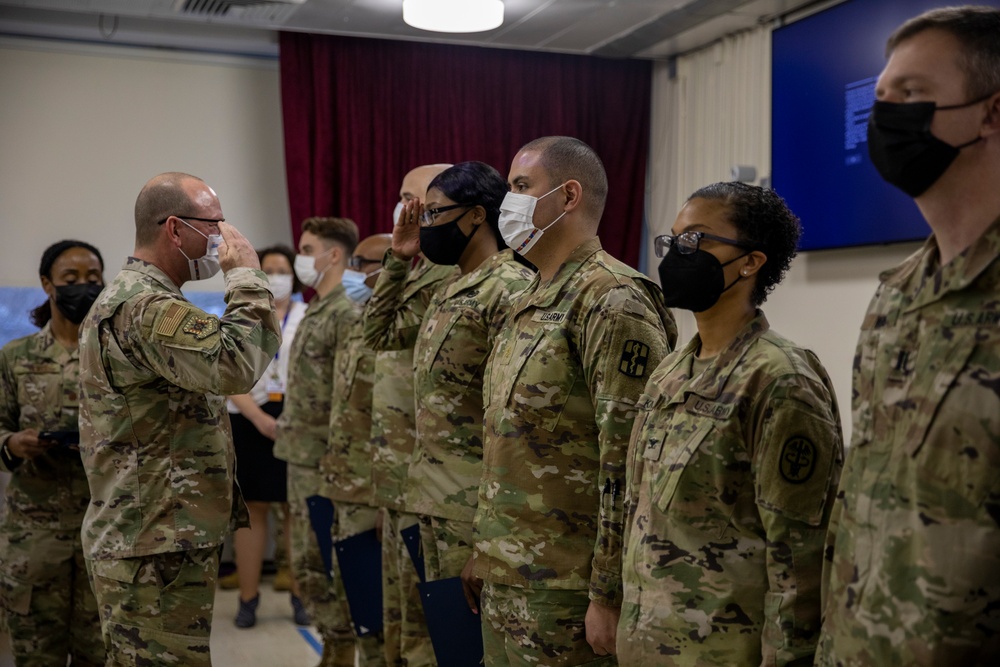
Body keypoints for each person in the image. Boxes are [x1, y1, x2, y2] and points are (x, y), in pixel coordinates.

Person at [817, 7, 1000, 664]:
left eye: (913, 96)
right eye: (881, 98)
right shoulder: (896, 296)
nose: (886, 117)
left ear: (991, 112)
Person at [616, 182, 843, 665]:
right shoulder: (671, 372)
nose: (678, 253)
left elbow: (799, 556)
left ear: (751, 261)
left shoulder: (781, 380)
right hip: (646, 643)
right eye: (673, 240)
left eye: (696, 240)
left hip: (723, 652)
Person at [472, 136, 677, 665]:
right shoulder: (528, 296)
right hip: (509, 572)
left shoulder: (612, 299)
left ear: (567, 197)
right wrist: (485, 547)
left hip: (568, 587)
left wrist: (608, 593)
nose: (507, 203)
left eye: (521, 187)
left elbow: (629, 458)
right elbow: (506, 441)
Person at [78, 172, 280, 665]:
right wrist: (247, 276)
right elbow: (236, 364)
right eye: (213, 223)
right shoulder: (147, 307)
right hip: (153, 542)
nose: (223, 236)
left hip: (155, 534)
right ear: (174, 229)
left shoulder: (142, 299)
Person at [371, 162, 534, 618]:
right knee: (441, 641)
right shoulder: (450, 287)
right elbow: (378, 336)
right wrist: (399, 260)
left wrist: (491, 530)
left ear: (476, 216)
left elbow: (512, 418)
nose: (424, 224)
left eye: (433, 213)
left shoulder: (509, 288)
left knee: (468, 642)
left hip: (474, 507)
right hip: (434, 497)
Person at [364, 164, 456, 667]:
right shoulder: (418, 267)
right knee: (400, 616)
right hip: (400, 468)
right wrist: (398, 261)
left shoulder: (452, 275)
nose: (402, 208)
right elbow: (375, 335)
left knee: (430, 627)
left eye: (411, 198)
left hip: (436, 477)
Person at [0, 240, 106, 666]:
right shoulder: (16, 358)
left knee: (99, 653)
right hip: (35, 538)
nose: (84, 286)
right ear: (48, 285)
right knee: (35, 655)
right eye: (71, 279)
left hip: (103, 531)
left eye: (93, 278)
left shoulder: (116, 357)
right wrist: (13, 443)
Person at [274, 216, 361, 667]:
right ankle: (333, 646)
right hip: (300, 458)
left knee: (325, 568)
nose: (299, 259)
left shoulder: (346, 313)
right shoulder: (316, 310)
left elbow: (350, 396)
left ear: (333, 256)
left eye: (307, 250)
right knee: (307, 568)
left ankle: (341, 649)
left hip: (326, 465)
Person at [319, 232, 393, 666]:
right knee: (355, 603)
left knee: (378, 612)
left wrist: (387, 497)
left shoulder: (395, 329)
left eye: (360, 264)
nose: (352, 273)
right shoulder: (357, 322)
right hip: (345, 485)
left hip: (374, 491)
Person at [227, 244, 309, 628]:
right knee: (252, 512)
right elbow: (227, 374)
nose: (277, 275)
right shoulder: (242, 315)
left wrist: (294, 417)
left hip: (297, 419)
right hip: (249, 418)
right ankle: (248, 599)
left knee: (297, 510)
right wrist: (259, 418)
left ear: (294, 276)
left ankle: (300, 596)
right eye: (269, 269)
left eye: (283, 269)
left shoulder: (309, 316)